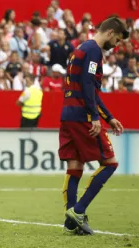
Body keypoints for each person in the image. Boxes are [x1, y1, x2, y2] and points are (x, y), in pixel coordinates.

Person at [59, 17, 129, 235]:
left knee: (75, 165)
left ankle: (71, 222)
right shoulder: (94, 51)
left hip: (68, 114)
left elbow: (84, 86)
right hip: (82, 115)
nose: (116, 45)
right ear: (109, 32)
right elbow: (89, 85)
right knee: (110, 163)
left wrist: (108, 117)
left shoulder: (79, 49)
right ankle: (78, 211)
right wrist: (95, 117)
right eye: (116, 39)